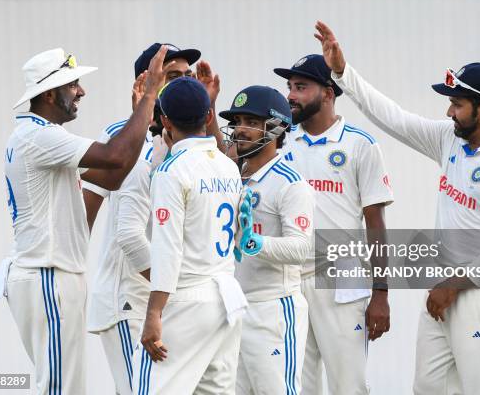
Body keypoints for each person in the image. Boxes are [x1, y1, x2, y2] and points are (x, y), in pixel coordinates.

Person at [314, 20, 480, 394]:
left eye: (457, 104)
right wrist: (342, 73)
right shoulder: (450, 141)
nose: (449, 113)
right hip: (441, 292)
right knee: (427, 388)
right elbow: (394, 118)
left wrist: (454, 286)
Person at [1, 46, 169, 394]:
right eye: (72, 84)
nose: (81, 91)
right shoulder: (40, 137)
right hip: (48, 274)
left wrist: (140, 113)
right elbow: (115, 156)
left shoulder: (41, 137)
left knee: (64, 385)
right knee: (61, 388)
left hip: (51, 274)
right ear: (49, 93)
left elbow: (113, 175)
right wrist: (149, 98)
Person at [84, 43, 210, 395]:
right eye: (173, 76)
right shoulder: (122, 139)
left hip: (164, 299)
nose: (186, 84)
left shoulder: (187, 143)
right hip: (130, 299)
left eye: (189, 76)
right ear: (147, 82)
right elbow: (100, 220)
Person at [273, 53, 394, 394]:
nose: (291, 96)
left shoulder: (361, 145)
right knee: (297, 384)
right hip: (291, 279)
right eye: (289, 87)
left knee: (348, 386)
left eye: (301, 87)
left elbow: (376, 222)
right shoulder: (280, 143)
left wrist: (381, 293)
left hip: (342, 277)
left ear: (328, 93)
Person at [132, 77, 247, 394]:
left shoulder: (172, 171)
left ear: (164, 120)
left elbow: (168, 250)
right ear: (209, 116)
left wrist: (154, 312)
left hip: (187, 300)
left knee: (148, 388)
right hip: (226, 298)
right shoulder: (228, 167)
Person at [219, 85, 315, 394]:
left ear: (274, 127)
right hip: (236, 309)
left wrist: (255, 243)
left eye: (250, 121)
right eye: (237, 122)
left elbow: (302, 248)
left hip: (273, 311)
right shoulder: (231, 177)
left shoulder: (290, 184)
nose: (239, 130)